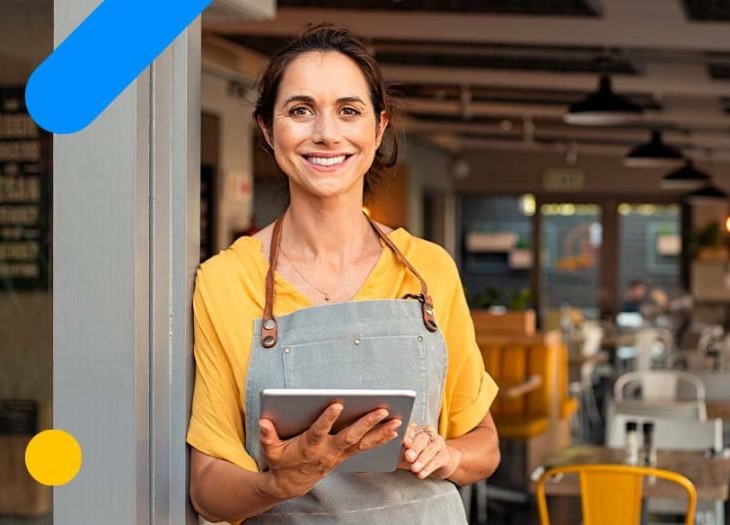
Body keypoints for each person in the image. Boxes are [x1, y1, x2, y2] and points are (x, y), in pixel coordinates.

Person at [187, 25, 499, 524]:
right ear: (268, 130)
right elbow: (207, 487)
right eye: (300, 110)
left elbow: (484, 443)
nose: (327, 133)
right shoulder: (226, 280)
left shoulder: (427, 271)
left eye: (348, 111)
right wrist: (276, 483)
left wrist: (450, 456)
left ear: (378, 130)